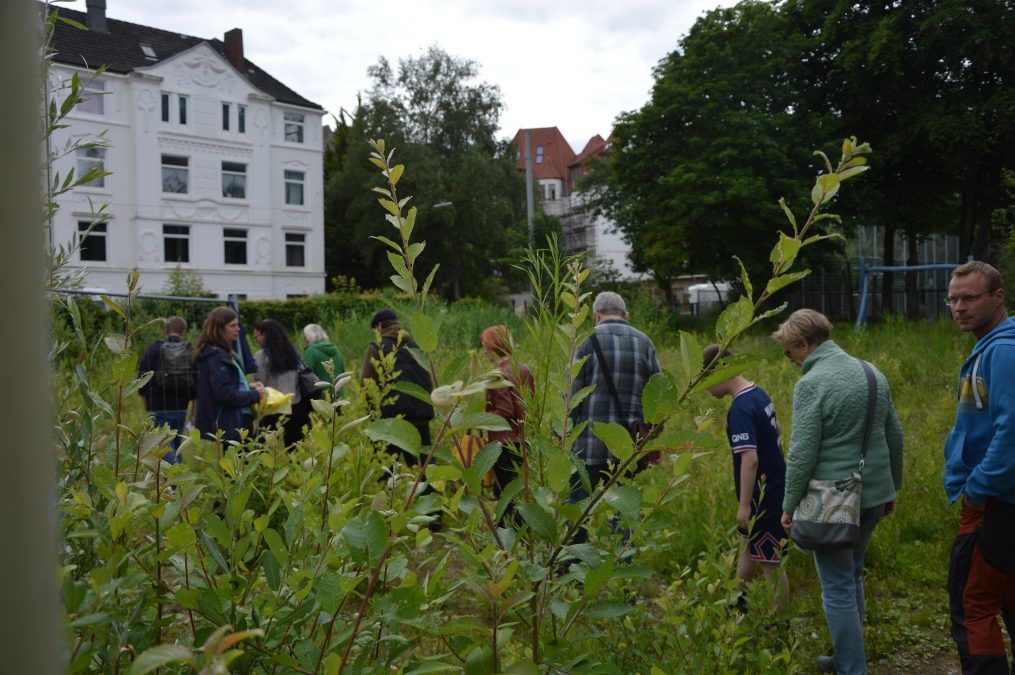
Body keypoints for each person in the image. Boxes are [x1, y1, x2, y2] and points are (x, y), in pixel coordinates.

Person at [773, 309, 904, 675]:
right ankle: (845, 657)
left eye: (789, 352)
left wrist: (788, 504)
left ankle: (851, 668)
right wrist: (894, 484)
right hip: (874, 493)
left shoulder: (812, 384)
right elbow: (895, 435)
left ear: (805, 344)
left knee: (837, 587)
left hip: (833, 502)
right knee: (854, 573)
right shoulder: (871, 372)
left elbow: (801, 452)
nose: (790, 361)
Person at [942, 261, 1015, 674]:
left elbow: (1012, 432)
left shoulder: (1003, 352)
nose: (959, 307)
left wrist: (978, 488)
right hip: (1000, 501)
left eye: (970, 298)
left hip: (995, 503)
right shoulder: (991, 346)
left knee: (973, 606)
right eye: (953, 299)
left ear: (998, 297)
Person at [568, 291, 661, 543]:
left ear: (596, 315)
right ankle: (622, 565)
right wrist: (653, 439)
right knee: (624, 507)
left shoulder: (586, 341)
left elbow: (573, 396)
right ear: (626, 315)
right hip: (628, 446)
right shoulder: (645, 343)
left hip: (588, 443)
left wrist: (564, 433)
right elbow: (659, 395)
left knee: (578, 504)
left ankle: (571, 564)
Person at [703, 344, 788, 612]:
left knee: (770, 562)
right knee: (752, 547)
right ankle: (736, 604)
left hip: (765, 495)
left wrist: (744, 504)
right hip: (776, 485)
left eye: (706, 379)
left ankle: (782, 625)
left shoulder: (740, 408)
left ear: (719, 372)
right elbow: (778, 430)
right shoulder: (758, 394)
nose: (706, 388)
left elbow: (749, 459)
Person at [361, 308, 437, 495]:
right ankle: (434, 515)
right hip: (421, 415)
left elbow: (367, 384)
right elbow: (429, 379)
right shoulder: (416, 345)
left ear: (379, 327)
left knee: (385, 469)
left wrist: (373, 416)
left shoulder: (376, 347)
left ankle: (386, 512)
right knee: (424, 467)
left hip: (391, 421)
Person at [193, 306, 264, 443]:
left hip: (236, 419)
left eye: (238, 325)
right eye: (233, 325)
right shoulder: (217, 357)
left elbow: (226, 383)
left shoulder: (222, 353)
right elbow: (224, 393)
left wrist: (248, 386)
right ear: (219, 328)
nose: (238, 329)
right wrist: (255, 395)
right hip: (232, 422)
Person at [480, 325, 535, 499]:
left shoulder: (496, 375)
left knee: (507, 495)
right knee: (520, 490)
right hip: (525, 439)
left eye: (485, 347)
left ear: (493, 347)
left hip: (504, 443)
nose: (484, 353)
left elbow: (505, 410)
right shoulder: (524, 369)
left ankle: (506, 526)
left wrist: (480, 419)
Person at [137, 316, 196, 463]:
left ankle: (173, 481)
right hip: (181, 407)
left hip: (157, 406)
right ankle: (178, 479)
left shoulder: (153, 349)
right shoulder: (190, 351)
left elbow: (141, 380)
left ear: (165, 330)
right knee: (176, 444)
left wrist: (147, 407)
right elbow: (197, 384)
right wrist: (193, 411)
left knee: (163, 446)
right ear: (184, 331)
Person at [251, 318, 311, 445]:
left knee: (259, 448)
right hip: (295, 406)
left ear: (264, 334)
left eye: (257, 336)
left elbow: (259, 383)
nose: (257, 340)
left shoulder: (261, 356)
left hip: (273, 408)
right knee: (294, 449)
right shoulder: (293, 353)